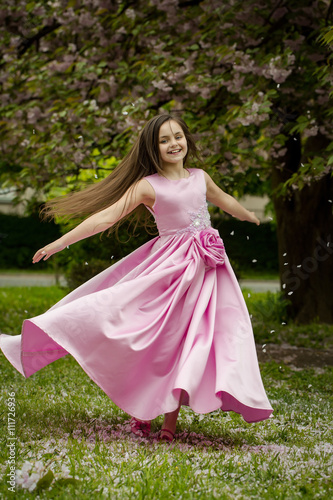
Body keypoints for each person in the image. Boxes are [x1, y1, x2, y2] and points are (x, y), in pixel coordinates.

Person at [0, 114, 273, 442]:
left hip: (207, 270)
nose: (174, 144)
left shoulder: (200, 177)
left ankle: (170, 423)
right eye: (164, 140)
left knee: (194, 339)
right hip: (170, 272)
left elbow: (222, 199)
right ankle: (142, 406)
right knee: (161, 338)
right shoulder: (149, 185)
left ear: (186, 139)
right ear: (153, 148)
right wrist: (60, 242)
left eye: (178, 137)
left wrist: (247, 214)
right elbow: (106, 217)